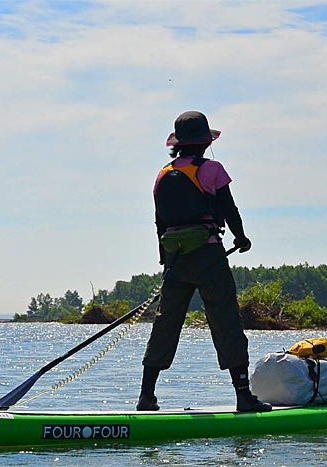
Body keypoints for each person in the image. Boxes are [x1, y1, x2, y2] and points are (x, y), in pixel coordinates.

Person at [137, 111, 272, 413]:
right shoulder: (212, 169)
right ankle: (243, 396)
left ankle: (146, 395)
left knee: (165, 323)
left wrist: (166, 261)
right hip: (209, 254)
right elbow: (228, 207)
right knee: (225, 320)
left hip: (175, 260)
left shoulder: (161, 175)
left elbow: (160, 223)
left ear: (179, 144)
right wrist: (241, 238)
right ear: (204, 142)